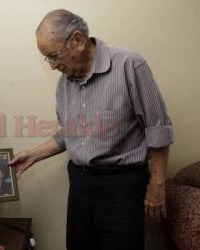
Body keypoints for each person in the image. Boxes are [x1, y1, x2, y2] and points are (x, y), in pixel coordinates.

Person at [9, 9, 174, 250]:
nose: (53, 66)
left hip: (122, 188)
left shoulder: (130, 65)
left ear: (77, 40)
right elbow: (70, 134)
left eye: (54, 56)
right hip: (80, 186)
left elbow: (158, 129)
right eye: (48, 59)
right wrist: (32, 155)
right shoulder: (64, 84)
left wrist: (157, 186)